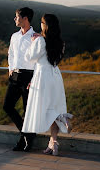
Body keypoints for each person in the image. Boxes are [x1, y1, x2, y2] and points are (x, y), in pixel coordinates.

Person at [22, 14, 73, 156]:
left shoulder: (40, 41)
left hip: (42, 76)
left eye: (42, 22)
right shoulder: (61, 43)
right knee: (53, 106)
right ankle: (53, 143)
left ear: (46, 25)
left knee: (44, 108)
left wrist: (33, 41)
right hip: (55, 76)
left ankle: (59, 117)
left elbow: (29, 58)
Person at [3, 7, 36, 151]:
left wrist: (34, 79)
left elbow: (39, 61)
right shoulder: (14, 36)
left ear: (25, 18)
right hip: (14, 75)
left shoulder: (35, 37)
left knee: (27, 110)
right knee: (7, 106)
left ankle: (24, 141)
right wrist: (10, 68)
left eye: (17, 17)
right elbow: (10, 53)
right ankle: (27, 135)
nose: (15, 19)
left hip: (29, 76)